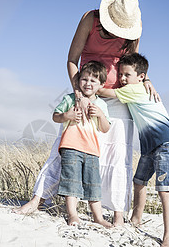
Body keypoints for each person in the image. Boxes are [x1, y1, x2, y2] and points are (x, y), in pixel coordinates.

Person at [13, 0, 160, 226]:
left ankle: (117, 214)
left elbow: (133, 60)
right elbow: (72, 59)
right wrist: (80, 95)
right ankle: (38, 200)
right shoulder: (90, 19)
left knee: (118, 154)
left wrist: (146, 79)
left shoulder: (135, 26)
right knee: (67, 145)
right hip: (87, 90)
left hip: (118, 95)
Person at [98, 53, 169, 247]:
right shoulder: (140, 85)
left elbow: (106, 93)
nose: (122, 79)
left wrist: (87, 85)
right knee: (139, 182)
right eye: (120, 75)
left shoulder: (135, 89)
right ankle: (136, 218)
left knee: (164, 191)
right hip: (150, 145)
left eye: (127, 75)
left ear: (140, 77)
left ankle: (168, 237)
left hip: (165, 143)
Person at [53, 60, 112, 227]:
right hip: (71, 146)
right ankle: (72, 214)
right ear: (78, 81)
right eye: (84, 79)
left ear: (101, 84)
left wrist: (100, 115)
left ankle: (98, 217)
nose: (88, 84)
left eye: (93, 81)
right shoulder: (70, 99)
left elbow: (105, 128)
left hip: (92, 149)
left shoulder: (101, 104)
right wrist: (66, 116)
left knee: (93, 184)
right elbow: (55, 116)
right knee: (71, 181)